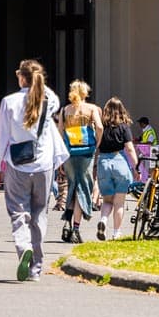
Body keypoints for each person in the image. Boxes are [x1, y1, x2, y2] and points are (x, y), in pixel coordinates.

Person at [0, 59, 68, 282]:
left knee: (18, 211)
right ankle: (36, 269)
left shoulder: (9, 102)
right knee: (39, 214)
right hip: (44, 164)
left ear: (21, 77)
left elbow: (1, 136)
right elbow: (55, 99)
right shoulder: (49, 101)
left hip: (18, 163)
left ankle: (24, 247)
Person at [56, 80, 104, 244]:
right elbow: (99, 127)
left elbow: (60, 133)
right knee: (82, 189)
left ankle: (67, 225)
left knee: (72, 187)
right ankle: (76, 229)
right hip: (85, 153)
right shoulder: (90, 109)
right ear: (85, 93)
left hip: (69, 153)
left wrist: (61, 159)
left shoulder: (65, 110)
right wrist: (96, 143)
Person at [95, 97, 138, 241]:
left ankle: (103, 220)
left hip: (103, 163)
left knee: (107, 200)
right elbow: (130, 149)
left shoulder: (101, 127)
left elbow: (96, 147)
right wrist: (136, 167)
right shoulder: (124, 127)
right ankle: (116, 232)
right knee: (119, 202)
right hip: (119, 162)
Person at [134, 116, 158, 184]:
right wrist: (138, 140)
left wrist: (139, 143)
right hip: (146, 152)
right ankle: (144, 180)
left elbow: (149, 142)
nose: (140, 125)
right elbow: (142, 139)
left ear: (144, 123)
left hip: (150, 153)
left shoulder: (149, 131)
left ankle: (147, 181)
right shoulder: (146, 130)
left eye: (140, 123)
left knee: (148, 168)